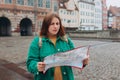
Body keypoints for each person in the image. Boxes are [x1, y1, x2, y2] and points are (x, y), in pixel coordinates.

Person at [26, 13, 89, 80]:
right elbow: (30, 63)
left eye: (57, 23)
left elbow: (75, 58)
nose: (55, 26)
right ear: (46, 25)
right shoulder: (37, 42)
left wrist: (83, 62)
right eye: (52, 24)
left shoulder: (66, 40)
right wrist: (36, 66)